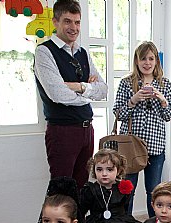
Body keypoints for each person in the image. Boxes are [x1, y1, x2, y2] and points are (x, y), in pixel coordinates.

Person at [34, 0, 107, 188]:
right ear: (55, 22)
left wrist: (78, 87)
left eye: (77, 22)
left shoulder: (82, 53)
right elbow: (58, 95)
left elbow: (103, 89)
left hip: (87, 130)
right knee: (61, 190)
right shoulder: (44, 52)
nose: (73, 27)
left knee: (82, 188)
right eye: (67, 21)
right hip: (63, 131)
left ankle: (80, 219)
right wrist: (89, 92)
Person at [113, 41, 171, 215]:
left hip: (155, 148)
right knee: (127, 190)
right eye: (143, 59)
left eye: (151, 58)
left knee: (154, 192)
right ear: (137, 61)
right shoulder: (127, 83)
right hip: (130, 148)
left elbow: (169, 115)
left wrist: (163, 101)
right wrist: (134, 100)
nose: (147, 63)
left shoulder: (165, 84)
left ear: (156, 61)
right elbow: (118, 113)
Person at [80, 149, 140, 223]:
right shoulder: (90, 190)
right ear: (94, 170)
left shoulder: (123, 188)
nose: (104, 174)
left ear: (118, 170)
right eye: (99, 169)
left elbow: (125, 208)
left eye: (109, 170)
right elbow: (81, 211)